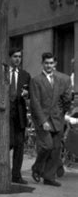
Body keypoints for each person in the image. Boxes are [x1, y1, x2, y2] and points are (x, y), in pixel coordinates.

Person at [29, 52, 73, 187]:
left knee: (55, 148)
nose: (49, 65)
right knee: (47, 145)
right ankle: (37, 167)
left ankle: (49, 177)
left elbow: (67, 99)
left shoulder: (62, 79)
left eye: (51, 63)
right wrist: (43, 121)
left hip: (57, 118)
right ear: (42, 64)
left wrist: (62, 113)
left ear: (55, 64)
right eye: (46, 63)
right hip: (43, 119)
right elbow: (35, 103)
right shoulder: (36, 80)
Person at [8, 49, 31, 184]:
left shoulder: (25, 75)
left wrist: (26, 94)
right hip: (5, 116)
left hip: (19, 115)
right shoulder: (3, 73)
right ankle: (3, 172)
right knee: (8, 144)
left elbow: (30, 94)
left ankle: (16, 175)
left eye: (20, 57)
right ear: (10, 58)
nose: (18, 59)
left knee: (19, 145)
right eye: (15, 56)